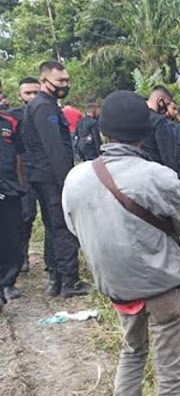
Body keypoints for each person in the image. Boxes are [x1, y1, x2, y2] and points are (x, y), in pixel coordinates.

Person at [62, 90, 180, 395]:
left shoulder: (76, 177)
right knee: (170, 374)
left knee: (132, 352)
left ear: (101, 131)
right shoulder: (157, 175)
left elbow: (74, 227)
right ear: (145, 132)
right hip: (162, 288)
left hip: (118, 288)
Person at [22, 61, 90, 297]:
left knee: (53, 226)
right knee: (62, 227)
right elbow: (54, 149)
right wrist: (66, 182)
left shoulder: (46, 105)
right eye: (61, 81)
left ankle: (56, 280)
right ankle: (69, 282)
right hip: (51, 177)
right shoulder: (44, 108)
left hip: (43, 175)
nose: (65, 85)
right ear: (44, 81)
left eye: (67, 80)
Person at [8, 77, 41, 278]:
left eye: (35, 92)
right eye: (28, 93)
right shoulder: (12, 118)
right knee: (24, 214)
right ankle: (20, 257)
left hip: (42, 170)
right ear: (19, 95)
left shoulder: (46, 113)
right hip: (20, 173)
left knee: (37, 215)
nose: (32, 97)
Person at [0, 109, 24, 309]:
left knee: (11, 239)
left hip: (9, 188)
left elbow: (18, 155)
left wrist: (20, 184)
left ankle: (8, 281)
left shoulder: (10, 123)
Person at [142, 85, 179, 172]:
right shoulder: (159, 121)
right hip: (157, 171)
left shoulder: (136, 116)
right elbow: (167, 155)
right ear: (160, 101)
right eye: (166, 104)